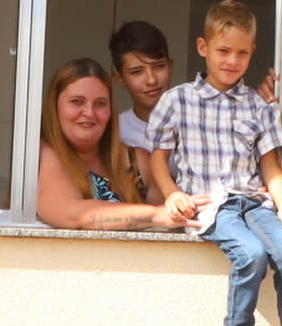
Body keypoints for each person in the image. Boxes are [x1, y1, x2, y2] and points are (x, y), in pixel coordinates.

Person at [146, 0, 282, 326]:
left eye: (241, 52)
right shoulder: (178, 100)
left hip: (253, 202)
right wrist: (172, 194)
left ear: (252, 52)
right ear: (203, 47)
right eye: (223, 51)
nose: (232, 60)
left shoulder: (259, 107)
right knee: (252, 256)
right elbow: (157, 159)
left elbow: (269, 163)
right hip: (210, 205)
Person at [37, 58, 179, 232]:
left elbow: (176, 224)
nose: (89, 113)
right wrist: (157, 215)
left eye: (100, 104)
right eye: (77, 102)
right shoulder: (43, 154)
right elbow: (71, 213)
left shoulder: (136, 162)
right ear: (55, 106)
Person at [107, 19, 176, 199]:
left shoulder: (197, 121)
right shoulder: (115, 131)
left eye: (159, 66)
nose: (151, 80)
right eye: (137, 72)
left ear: (171, 66)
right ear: (119, 78)